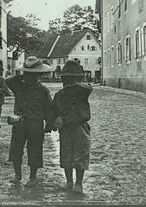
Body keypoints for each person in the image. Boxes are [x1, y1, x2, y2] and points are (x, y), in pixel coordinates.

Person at [6, 56, 55, 187]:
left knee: (35, 150)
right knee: (16, 149)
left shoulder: (43, 90)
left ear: (39, 75)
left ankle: (33, 177)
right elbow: (8, 80)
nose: (30, 77)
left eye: (34, 75)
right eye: (27, 74)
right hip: (19, 122)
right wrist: (22, 75)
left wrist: (50, 124)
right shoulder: (19, 87)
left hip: (36, 124)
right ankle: (18, 175)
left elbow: (49, 108)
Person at [50, 60, 93, 194]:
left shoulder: (81, 92)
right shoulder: (59, 95)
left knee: (80, 155)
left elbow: (88, 88)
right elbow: (53, 110)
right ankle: (69, 182)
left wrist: (75, 84)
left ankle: (78, 183)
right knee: (66, 156)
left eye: (72, 79)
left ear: (79, 80)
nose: (68, 82)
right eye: (66, 79)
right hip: (65, 129)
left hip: (80, 128)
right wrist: (51, 123)